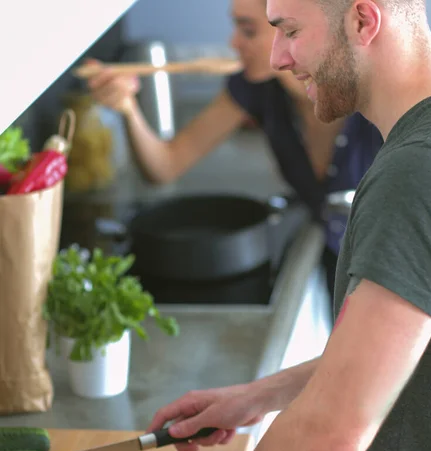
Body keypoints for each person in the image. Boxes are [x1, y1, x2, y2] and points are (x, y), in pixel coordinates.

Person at [72, 0, 431, 451]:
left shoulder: (414, 174)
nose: (276, 56)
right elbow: (410, 358)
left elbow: (333, 430)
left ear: (364, 20)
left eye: (289, 30)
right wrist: (258, 396)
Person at [86, 0, 382, 308]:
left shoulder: (375, 89)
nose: (233, 42)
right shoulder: (256, 87)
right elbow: (165, 166)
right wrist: (127, 108)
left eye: (249, 30)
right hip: (339, 264)